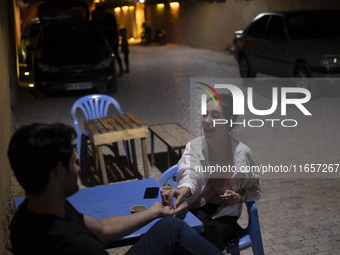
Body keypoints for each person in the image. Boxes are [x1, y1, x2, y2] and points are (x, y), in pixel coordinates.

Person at [8, 123, 224, 255]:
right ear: (57, 171)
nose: (79, 168)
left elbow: (102, 229)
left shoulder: (32, 211)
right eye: (74, 162)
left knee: (170, 227)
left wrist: (154, 211)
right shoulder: (77, 246)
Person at [161, 94, 263, 251]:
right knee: (172, 235)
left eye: (215, 115)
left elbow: (256, 188)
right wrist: (183, 189)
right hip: (194, 212)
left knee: (200, 239)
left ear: (229, 121)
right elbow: (191, 174)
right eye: (204, 114)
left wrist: (239, 197)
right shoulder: (194, 147)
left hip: (223, 218)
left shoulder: (242, 154)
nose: (207, 120)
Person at [92, 6, 123, 76]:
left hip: (112, 39)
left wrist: (103, 29)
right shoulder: (99, 19)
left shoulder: (109, 17)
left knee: (116, 54)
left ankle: (120, 70)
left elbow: (113, 28)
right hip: (105, 40)